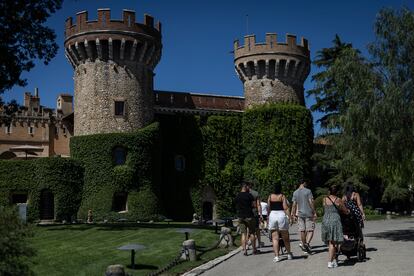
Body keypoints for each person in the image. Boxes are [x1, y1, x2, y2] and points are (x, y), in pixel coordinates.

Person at [322, 185, 350, 268]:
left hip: (326, 220)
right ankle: (329, 262)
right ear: (337, 192)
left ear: (329, 191)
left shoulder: (324, 199)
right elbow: (344, 210)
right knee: (332, 242)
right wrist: (348, 212)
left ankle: (334, 260)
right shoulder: (338, 200)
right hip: (335, 221)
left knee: (331, 242)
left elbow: (325, 208)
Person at [267, 183, 293, 262]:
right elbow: (285, 207)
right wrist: (290, 217)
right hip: (281, 215)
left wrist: (268, 217)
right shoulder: (282, 196)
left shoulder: (270, 196)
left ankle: (277, 256)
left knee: (275, 238)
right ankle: (289, 254)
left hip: (273, 215)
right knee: (286, 237)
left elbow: (268, 207)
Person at [290, 179, 316, 254]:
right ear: (303, 183)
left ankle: (304, 244)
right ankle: (307, 243)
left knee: (302, 230)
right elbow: (311, 202)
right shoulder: (308, 191)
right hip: (308, 213)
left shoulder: (295, 192)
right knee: (310, 229)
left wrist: (293, 214)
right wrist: (314, 211)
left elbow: (294, 204)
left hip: (300, 213)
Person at [234, 182, 258, 255]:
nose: (249, 188)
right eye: (248, 187)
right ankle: (254, 250)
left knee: (243, 234)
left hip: (241, 216)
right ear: (245, 187)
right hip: (249, 216)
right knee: (252, 233)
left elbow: (235, 205)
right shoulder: (249, 195)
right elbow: (254, 205)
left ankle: (245, 250)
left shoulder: (237, 196)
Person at [246, 182, 263, 248]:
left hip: (246, 213)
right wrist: (260, 214)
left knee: (247, 228)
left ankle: (247, 244)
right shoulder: (255, 193)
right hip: (254, 212)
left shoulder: (244, 193)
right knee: (257, 228)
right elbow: (258, 204)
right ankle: (259, 242)